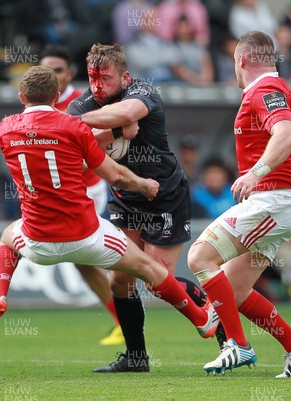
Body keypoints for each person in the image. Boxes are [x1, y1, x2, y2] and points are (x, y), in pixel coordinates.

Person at [0, 66, 218, 357]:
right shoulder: (73, 128)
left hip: (37, 242)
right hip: (86, 236)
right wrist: (144, 185)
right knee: (152, 270)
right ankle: (201, 319)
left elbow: (42, 143)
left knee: (6, 238)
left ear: (21, 96)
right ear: (58, 95)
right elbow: (115, 176)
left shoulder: (5, 128)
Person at [67, 44, 218, 372]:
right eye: (93, 78)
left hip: (165, 195)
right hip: (124, 197)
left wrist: (82, 124)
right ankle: (136, 358)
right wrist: (97, 128)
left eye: (105, 79)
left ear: (125, 76)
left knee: (156, 279)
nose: (97, 86)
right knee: (119, 281)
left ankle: (225, 334)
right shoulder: (86, 102)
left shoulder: (143, 90)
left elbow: (126, 116)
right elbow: (74, 136)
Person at [187, 31, 291, 377]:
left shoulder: (265, 90)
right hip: (278, 202)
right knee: (235, 289)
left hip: (273, 200)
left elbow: (286, 135)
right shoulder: (269, 89)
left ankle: (238, 345)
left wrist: (255, 173)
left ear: (241, 60)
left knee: (200, 256)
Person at [39, 45, 123, 345]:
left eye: (58, 70)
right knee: (83, 261)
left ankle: (127, 318)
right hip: (57, 195)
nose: (52, 76)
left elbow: (114, 133)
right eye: (46, 70)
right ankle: (121, 320)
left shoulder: (84, 102)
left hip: (89, 190)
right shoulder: (35, 105)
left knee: (105, 258)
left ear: (70, 74)